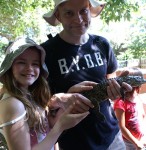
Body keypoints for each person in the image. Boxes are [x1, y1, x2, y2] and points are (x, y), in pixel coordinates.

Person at [41, 0, 132, 149]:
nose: (79, 19)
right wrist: (62, 98)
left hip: (112, 137)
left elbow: (111, 81)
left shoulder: (102, 44)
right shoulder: (46, 52)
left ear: (90, 10)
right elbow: (36, 103)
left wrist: (117, 92)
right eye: (69, 13)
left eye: (83, 11)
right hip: (73, 142)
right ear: (58, 15)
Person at [0, 37, 93, 150]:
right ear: (10, 66)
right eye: (21, 62)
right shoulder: (12, 103)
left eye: (35, 64)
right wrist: (60, 127)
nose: (29, 68)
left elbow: (44, 135)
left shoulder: (31, 96)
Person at [114, 68, 146, 150]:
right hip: (129, 142)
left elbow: (143, 117)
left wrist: (145, 136)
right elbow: (121, 127)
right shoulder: (120, 103)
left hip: (141, 139)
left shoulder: (137, 98)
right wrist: (136, 143)